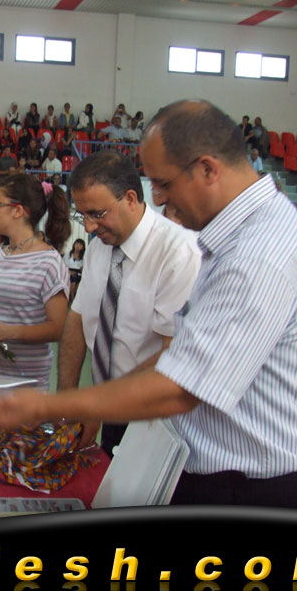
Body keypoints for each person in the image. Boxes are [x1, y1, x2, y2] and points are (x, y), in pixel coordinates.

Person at [0, 100, 297, 512]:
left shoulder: (260, 253)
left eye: (163, 184)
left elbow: (182, 385)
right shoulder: (237, 240)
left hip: (256, 489)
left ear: (207, 169)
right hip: (202, 467)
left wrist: (47, 405)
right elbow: (164, 349)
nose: (159, 200)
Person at [54, 150, 200, 452]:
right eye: (82, 215)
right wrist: (66, 399)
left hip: (156, 419)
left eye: (96, 214)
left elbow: (174, 354)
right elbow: (77, 321)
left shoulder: (178, 253)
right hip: (111, 408)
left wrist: (101, 404)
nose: (89, 227)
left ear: (131, 199)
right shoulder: (99, 248)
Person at [0, 174, 72, 389]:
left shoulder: (49, 263)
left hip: (24, 387)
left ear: (17, 211)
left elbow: (58, 328)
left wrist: (10, 332)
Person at [64, 238, 86, 303]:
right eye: (76, 243)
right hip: (68, 271)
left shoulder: (83, 257)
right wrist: (69, 272)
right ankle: (72, 298)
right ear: (74, 244)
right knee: (73, 279)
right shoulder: (68, 254)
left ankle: (75, 298)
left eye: (80, 244)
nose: (77, 245)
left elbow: (83, 268)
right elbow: (62, 265)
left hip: (78, 272)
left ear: (83, 247)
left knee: (79, 280)